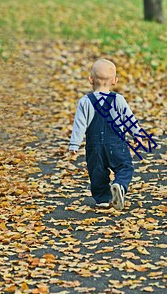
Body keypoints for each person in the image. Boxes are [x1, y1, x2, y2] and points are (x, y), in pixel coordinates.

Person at [69, 59, 142, 210]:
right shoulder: (118, 99)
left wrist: (74, 144)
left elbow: (79, 125)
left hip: (94, 146)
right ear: (115, 81)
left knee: (97, 172)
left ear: (91, 79)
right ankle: (120, 185)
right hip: (116, 143)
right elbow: (128, 118)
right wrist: (137, 134)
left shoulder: (85, 102)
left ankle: (102, 199)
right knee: (125, 167)